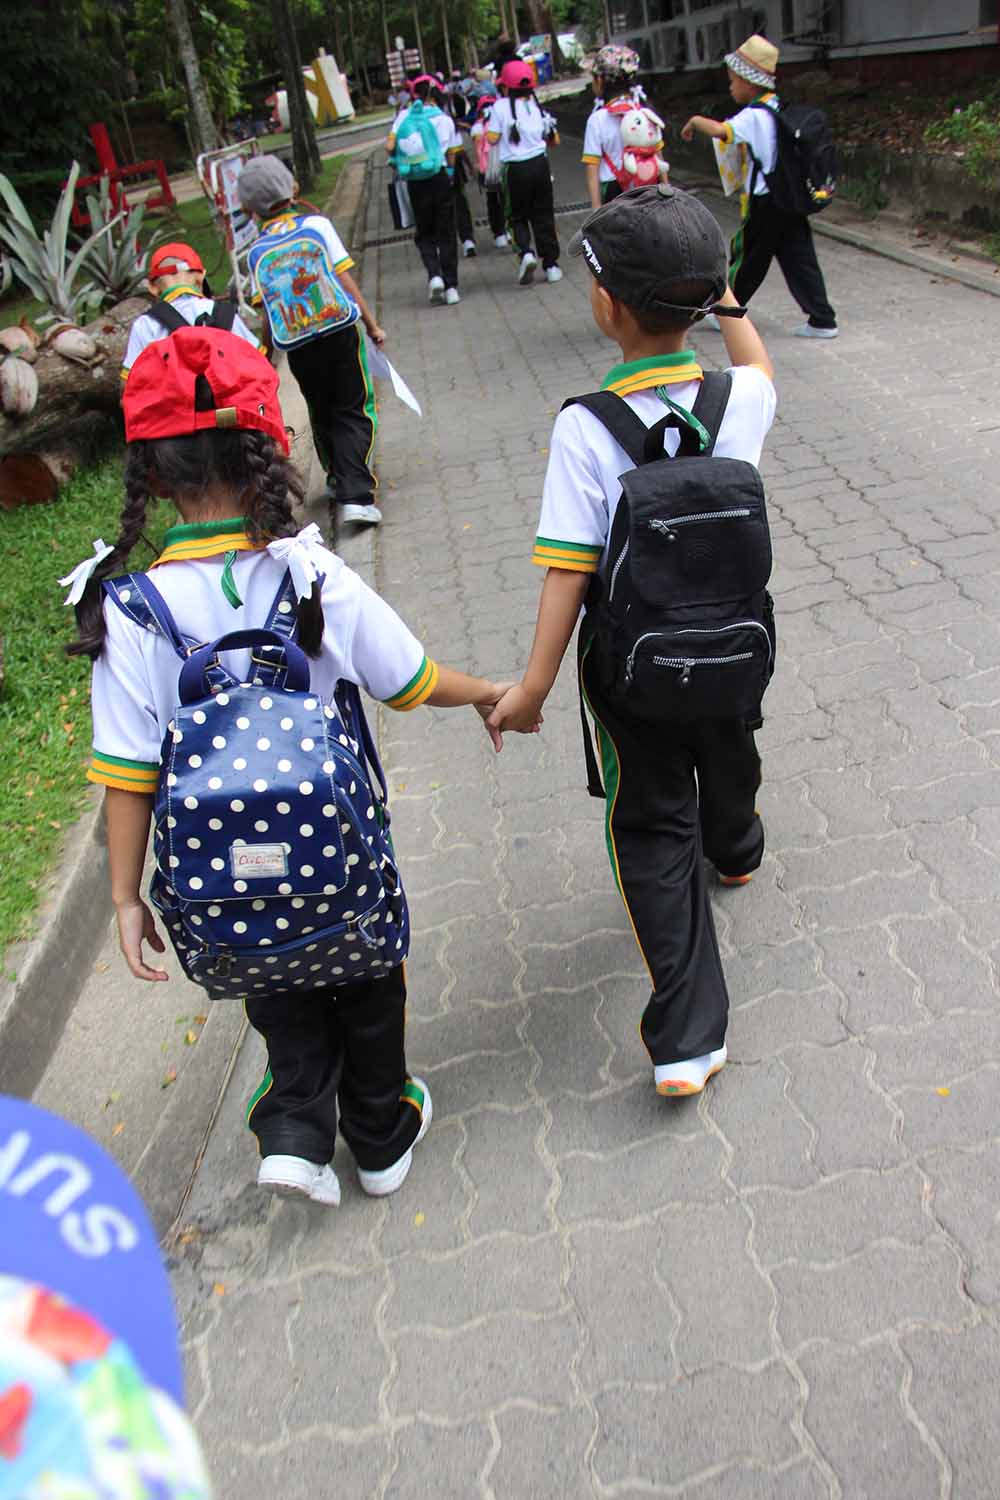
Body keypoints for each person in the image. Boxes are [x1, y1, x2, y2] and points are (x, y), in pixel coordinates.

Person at [65, 329, 535, 1206]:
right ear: (270, 452)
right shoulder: (311, 572)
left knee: (274, 979)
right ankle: (381, 1137)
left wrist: (126, 897)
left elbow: (128, 774)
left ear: (151, 475)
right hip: (339, 850)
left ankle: (293, 1131)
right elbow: (409, 680)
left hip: (225, 876)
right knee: (368, 976)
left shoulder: (130, 611)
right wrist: (485, 692)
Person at [488, 186, 777, 1097]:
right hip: (735, 644)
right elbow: (757, 360)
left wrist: (532, 687)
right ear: (707, 297)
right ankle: (737, 845)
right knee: (727, 744)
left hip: (631, 669)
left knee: (652, 822)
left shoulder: (585, 426)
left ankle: (689, 1038)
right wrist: (725, 299)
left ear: (607, 306)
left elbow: (568, 573)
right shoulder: (740, 398)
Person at [238, 155, 386, 531]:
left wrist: (267, 354)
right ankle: (357, 497)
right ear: (293, 189)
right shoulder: (316, 226)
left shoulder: (255, 252)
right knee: (353, 407)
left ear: (248, 209)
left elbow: (268, 311)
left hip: (298, 346)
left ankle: (336, 477)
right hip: (339, 332)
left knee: (321, 410)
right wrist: (371, 325)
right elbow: (344, 280)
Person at [681, 34, 838, 338]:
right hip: (789, 198)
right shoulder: (777, 106)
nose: (730, 87)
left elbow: (722, 131)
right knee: (800, 259)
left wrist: (695, 122)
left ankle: (725, 314)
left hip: (765, 202)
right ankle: (822, 320)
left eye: (732, 81)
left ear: (748, 82)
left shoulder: (754, 115)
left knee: (746, 258)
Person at [120, 240, 262, 382]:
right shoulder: (225, 314)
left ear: (152, 288)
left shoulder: (145, 325)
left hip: (172, 396)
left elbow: (129, 381)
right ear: (201, 277)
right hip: (228, 395)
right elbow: (259, 361)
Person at [387, 75, 464, 303]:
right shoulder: (444, 119)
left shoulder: (404, 116)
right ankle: (451, 287)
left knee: (424, 232)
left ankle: (434, 276)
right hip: (440, 177)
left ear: (414, 95)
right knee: (446, 232)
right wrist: (451, 174)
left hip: (415, 181)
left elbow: (389, 146)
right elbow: (453, 153)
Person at [487, 60, 561, 285]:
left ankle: (526, 253)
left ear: (506, 86)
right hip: (540, 165)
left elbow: (492, 138)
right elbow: (554, 140)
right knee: (543, 214)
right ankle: (551, 265)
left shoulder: (499, 107)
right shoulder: (536, 105)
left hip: (514, 170)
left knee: (516, 215)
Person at [581, 43, 643, 209]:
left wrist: (596, 208)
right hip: (645, 183)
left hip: (612, 190)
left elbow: (592, 167)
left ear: (600, 80)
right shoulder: (642, 111)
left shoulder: (596, 120)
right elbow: (657, 154)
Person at [470, 93, 509, 247]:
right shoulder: (501, 122)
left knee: (494, 201)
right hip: (503, 166)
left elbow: (477, 149)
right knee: (506, 199)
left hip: (488, 170)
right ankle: (508, 230)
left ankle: (499, 233)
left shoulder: (477, 127)